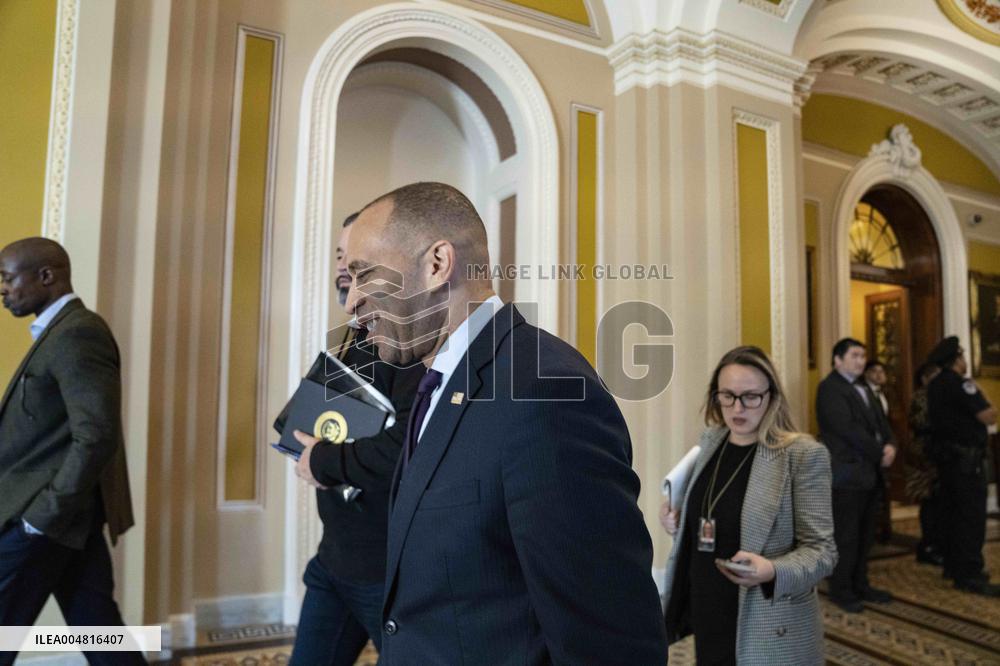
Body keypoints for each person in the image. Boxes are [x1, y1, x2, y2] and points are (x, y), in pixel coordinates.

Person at [294, 182, 668, 664]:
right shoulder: (438, 380)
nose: (352, 302)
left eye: (365, 275)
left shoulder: (542, 389)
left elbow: (610, 638)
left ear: (436, 264)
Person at [285, 213, 423, 666]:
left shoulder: (408, 344)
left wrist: (323, 462)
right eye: (340, 256)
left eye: (357, 259)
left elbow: (407, 444)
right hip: (334, 559)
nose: (344, 269)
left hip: (383, 570)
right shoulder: (354, 336)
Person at [0, 237, 143, 665]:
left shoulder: (78, 333)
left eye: (8, 279)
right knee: (99, 629)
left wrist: (41, 519)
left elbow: (96, 435)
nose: (3, 290)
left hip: (47, 520)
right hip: (68, 521)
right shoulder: (60, 332)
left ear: (46, 276)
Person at [660, 346, 836, 665]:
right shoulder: (712, 441)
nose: (737, 408)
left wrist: (771, 570)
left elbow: (823, 552)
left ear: (772, 395)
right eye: (727, 395)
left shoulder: (802, 455)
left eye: (750, 396)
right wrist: (677, 519)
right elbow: (709, 516)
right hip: (707, 606)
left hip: (765, 619)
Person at [816, 338, 896, 613]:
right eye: (854, 355)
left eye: (863, 355)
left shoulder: (864, 387)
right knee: (846, 535)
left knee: (866, 534)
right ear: (837, 360)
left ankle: (861, 583)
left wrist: (891, 445)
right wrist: (879, 452)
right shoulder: (830, 389)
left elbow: (882, 423)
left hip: (870, 474)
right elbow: (846, 429)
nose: (861, 361)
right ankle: (842, 589)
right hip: (847, 474)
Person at [926, 335, 999, 596]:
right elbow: (988, 415)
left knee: (952, 514)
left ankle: (953, 567)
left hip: (947, 461)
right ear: (957, 360)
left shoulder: (934, 385)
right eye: (963, 357)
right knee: (971, 518)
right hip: (968, 463)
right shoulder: (962, 385)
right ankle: (969, 573)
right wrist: (983, 394)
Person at [905, 362, 944, 566]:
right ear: (925, 379)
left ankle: (938, 544)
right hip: (924, 455)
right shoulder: (921, 397)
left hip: (937, 454)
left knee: (939, 502)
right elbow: (921, 422)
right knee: (929, 501)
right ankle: (928, 545)